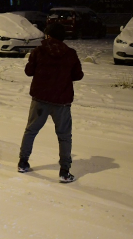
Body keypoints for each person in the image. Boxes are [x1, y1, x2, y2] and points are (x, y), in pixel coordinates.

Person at [18, 23, 83, 183]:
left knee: (31, 131)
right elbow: (78, 75)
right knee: (64, 136)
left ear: (48, 35)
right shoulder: (70, 53)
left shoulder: (38, 51)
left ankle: (23, 162)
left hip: (40, 99)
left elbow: (28, 71)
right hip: (61, 101)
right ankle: (64, 170)